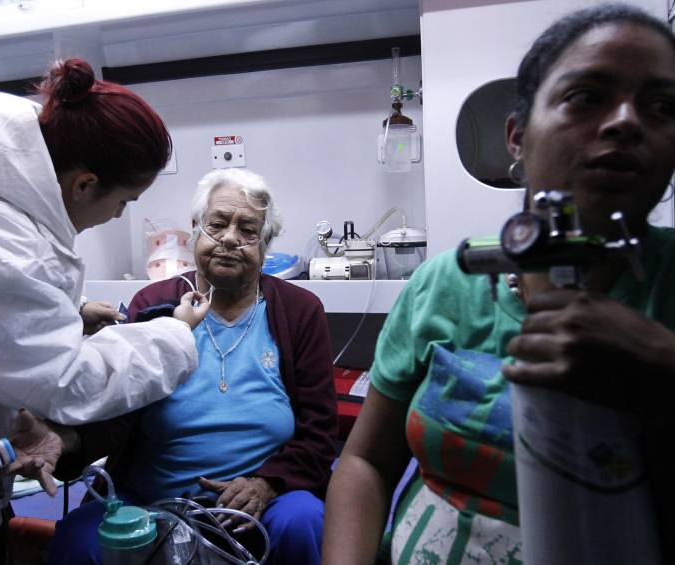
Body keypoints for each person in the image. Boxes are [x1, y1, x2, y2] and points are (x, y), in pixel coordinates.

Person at [322, 4, 675, 564]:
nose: (627, 121)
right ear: (517, 138)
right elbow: (364, 462)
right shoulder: (447, 282)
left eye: (662, 107)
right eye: (587, 97)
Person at [0, 59, 209, 565]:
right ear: (84, 184)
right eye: (125, 201)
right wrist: (173, 333)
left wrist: (65, 314)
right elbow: (71, 383)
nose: (116, 215)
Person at [47, 168, 338, 565]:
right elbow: (117, 407)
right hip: (152, 498)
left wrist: (266, 483)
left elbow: (319, 431)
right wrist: (68, 441)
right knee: (78, 541)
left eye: (248, 230)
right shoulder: (155, 304)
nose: (230, 238)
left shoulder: (300, 312)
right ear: (196, 229)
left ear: (264, 243)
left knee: (303, 519)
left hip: (265, 501)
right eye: (217, 224)